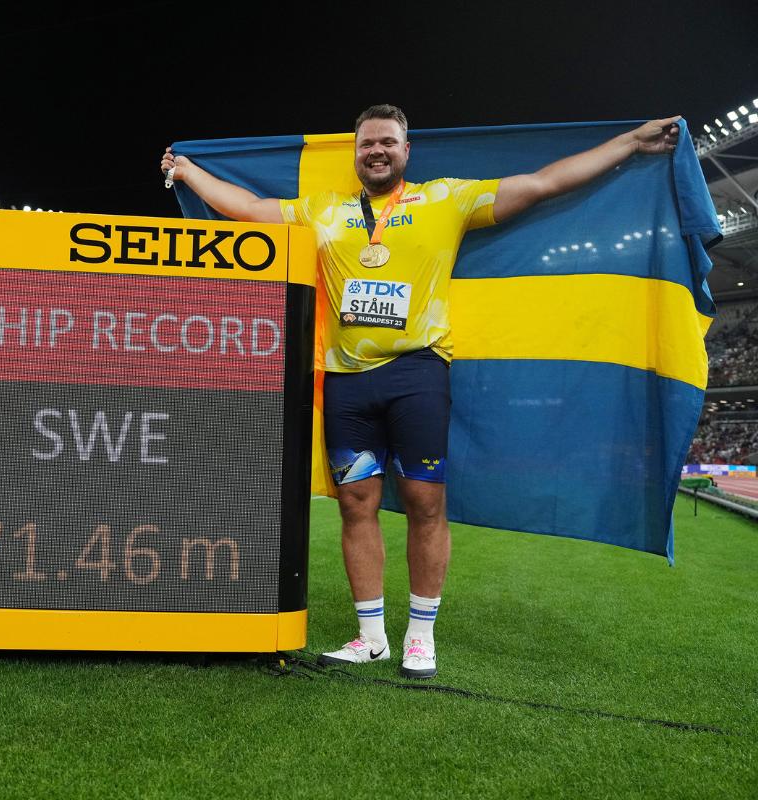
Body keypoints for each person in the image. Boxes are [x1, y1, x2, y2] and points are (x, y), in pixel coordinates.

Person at [161, 104, 679, 678]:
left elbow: (541, 183)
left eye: (387, 142)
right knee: (357, 503)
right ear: (354, 153)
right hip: (346, 381)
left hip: (416, 374)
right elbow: (251, 209)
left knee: (424, 502)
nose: (375, 151)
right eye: (366, 144)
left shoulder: (445, 200)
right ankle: (371, 636)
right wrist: (187, 172)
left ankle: (421, 635)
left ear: (407, 151)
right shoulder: (322, 210)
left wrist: (631, 142)